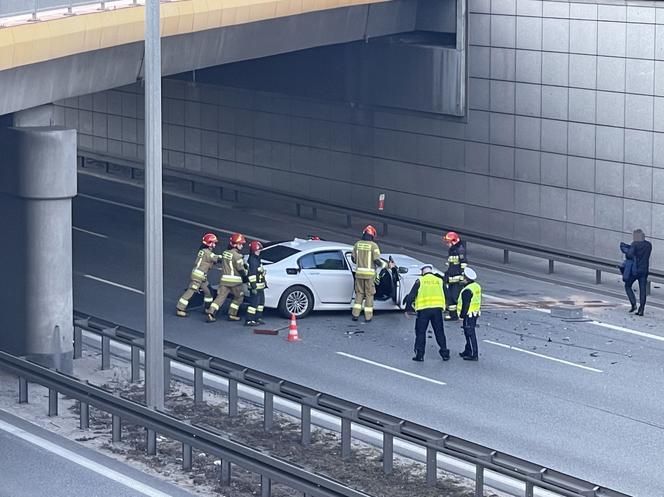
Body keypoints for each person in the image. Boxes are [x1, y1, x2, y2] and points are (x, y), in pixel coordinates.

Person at [403, 265, 450, 362]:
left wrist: (408, 309)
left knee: (421, 333)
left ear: (422, 272)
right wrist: (450, 309)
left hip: (423, 310)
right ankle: (445, 353)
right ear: (431, 271)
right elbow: (448, 295)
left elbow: (411, 296)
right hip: (437, 310)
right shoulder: (439, 280)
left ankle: (420, 355)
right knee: (439, 332)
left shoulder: (420, 281)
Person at [176, 233, 220, 317]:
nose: (214, 245)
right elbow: (217, 258)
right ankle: (180, 308)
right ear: (209, 243)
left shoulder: (203, 251)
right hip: (198, 276)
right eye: (213, 243)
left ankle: (207, 308)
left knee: (208, 292)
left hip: (202, 276)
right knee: (191, 291)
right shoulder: (207, 253)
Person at [207, 233, 248, 322]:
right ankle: (232, 314)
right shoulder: (238, 256)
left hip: (224, 280)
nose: (242, 246)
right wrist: (245, 278)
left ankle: (211, 312)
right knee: (239, 297)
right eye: (240, 244)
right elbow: (240, 269)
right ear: (235, 244)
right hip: (235, 282)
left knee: (220, 297)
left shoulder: (225, 253)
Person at [351, 225, 385, 322]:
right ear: (373, 236)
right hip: (369, 276)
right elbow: (377, 261)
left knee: (359, 294)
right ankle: (368, 317)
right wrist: (386, 265)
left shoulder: (357, 244)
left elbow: (353, 259)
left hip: (358, 274)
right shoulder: (374, 246)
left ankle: (355, 314)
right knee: (369, 295)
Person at [623, 229, 652, 316]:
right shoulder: (648, 245)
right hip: (644, 270)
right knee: (643, 290)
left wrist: (627, 251)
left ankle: (633, 304)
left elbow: (629, 255)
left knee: (627, 285)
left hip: (635, 270)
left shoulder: (634, 244)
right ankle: (641, 310)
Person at [458, 267, 482, 361]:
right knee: (467, 332)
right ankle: (467, 350)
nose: (462, 279)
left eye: (463, 278)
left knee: (470, 333)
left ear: (466, 279)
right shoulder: (476, 286)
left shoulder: (467, 290)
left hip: (468, 314)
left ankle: (473, 354)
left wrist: (461, 316)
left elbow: (465, 305)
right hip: (474, 313)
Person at [443, 231, 467, 321]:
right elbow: (452, 266)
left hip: (457, 279)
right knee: (450, 296)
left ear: (454, 241)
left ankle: (454, 315)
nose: (447, 244)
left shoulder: (460, 250)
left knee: (453, 297)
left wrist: (461, 277)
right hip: (452, 278)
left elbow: (463, 264)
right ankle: (452, 313)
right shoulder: (452, 250)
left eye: (448, 242)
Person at [245, 240, 267, 327]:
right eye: (258, 250)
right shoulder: (253, 261)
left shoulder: (257, 259)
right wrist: (253, 287)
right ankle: (249, 320)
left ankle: (257, 318)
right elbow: (252, 275)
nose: (259, 251)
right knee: (254, 303)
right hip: (255, 287)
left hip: (260, 286)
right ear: (254, 251)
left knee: (261, 302)